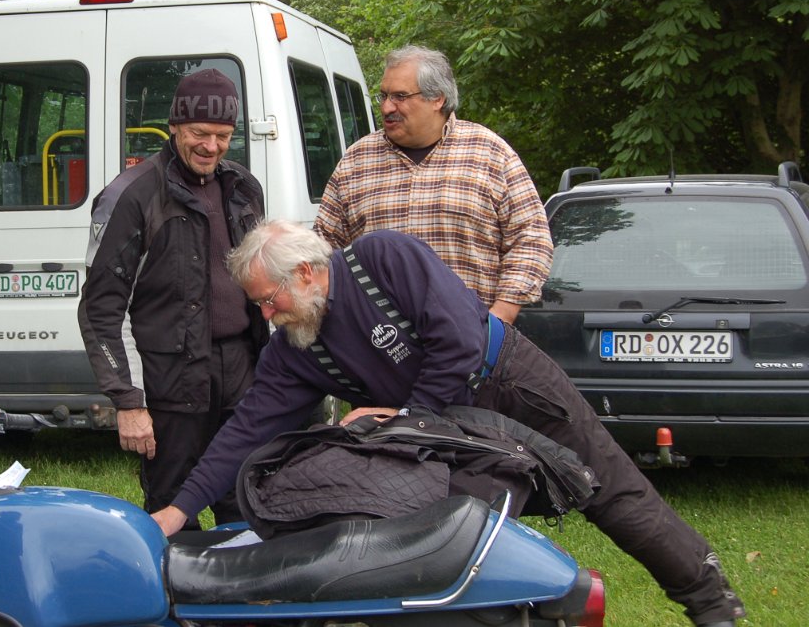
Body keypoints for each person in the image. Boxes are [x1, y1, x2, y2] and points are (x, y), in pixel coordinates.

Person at [152, 220, 745, 627]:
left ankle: (709, 599)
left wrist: (406, 418)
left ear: (307, 271)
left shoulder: (383, 259)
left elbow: (458, 341)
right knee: (454, 532)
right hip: (441, 428)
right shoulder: (295, 347)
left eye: (268, 298)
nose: (265, 314)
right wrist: (179, 510)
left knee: (605, 487)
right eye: (258, 304)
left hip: (509, 382)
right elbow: (248, 427)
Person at [78, 67, 268, 529]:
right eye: (200, 133)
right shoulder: (131, 196)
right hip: (170, 384)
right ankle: (173, 597)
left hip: (240, 373)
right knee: (169, 508)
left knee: (246, 499)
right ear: (175, 126)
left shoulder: (243, 188)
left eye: (223, 135)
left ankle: (240, 596)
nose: (211, 146)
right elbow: (101, 309)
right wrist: (129, 402)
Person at [313, 44, 552, 324]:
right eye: (384, 95)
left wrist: (500, 319)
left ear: (437, 98)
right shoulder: (357, 160)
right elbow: (323, 247)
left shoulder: (489, 153)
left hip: (473, 339)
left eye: (400, 96)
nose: (387, 107)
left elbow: (530, 239)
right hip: (381, 349)